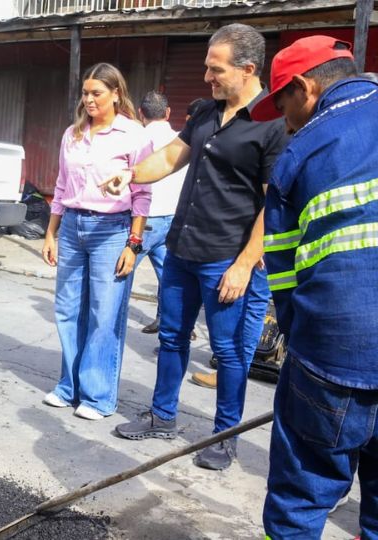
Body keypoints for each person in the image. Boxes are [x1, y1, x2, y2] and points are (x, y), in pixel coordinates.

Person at [103, 23, 287, 470]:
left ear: (247, 69)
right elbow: (170, 157)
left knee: (228, 352)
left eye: (215, 68)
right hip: (183, 246)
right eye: (205, 67)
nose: (207, 76)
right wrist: (130, 174)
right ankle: (162, 416)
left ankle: (225, 436)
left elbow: (272, 201)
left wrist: (245, 263)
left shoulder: (272, 123)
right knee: (171, 337)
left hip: (226, 256)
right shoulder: (206, 110)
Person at [249, 36, 378, 538]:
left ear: (305, 87)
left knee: (298, 505)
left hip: (333, 359)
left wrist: (299, 351)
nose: (284, 120)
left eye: (283, 103)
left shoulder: (304, 149)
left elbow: (281, 271)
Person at [40, 63, 153, 421]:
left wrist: (134, 243)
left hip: (112, 230)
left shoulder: (133, 135)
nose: (88, 99)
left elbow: (142, 193)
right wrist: (51, 232)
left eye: (97, 93)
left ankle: (99, 396)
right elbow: (60, 186)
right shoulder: (72, 134)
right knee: (68, 309)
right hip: (73, 227)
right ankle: (68, 387)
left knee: (104, 314)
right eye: (85, 93)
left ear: (116, 94)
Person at [134, 91, 189, 335]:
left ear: (140, 114)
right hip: (175, 219)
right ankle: (170, 325)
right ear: (168, 113)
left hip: (145, 221)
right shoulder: (181, 140)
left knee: (119, 274)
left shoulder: (135, 138)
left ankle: (105, 325)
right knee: (170, 278)